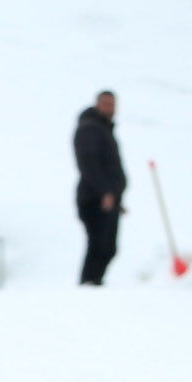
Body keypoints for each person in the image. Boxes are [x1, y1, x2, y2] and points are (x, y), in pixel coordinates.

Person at [76, 91, 124, 285]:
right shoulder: (90, 129)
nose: (109, 108)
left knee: (108, 247)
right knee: (100, 244)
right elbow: (89, 164)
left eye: (112, 104)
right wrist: (104, 192)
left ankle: (94, 282)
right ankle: (89, 283)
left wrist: (117, 197)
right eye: (105, 103)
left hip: (108, 197)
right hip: (94, 197)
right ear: (97, 104)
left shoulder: (104, 129)